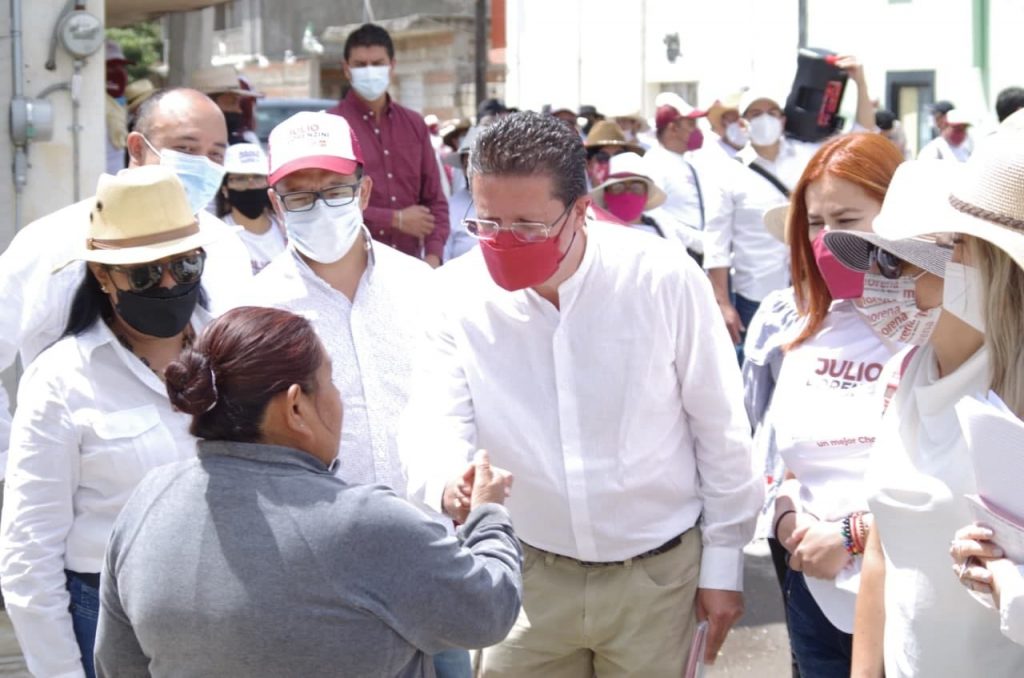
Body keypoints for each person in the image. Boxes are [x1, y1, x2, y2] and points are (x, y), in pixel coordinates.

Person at [401, 111, 762, 676]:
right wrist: (449, 481)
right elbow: (434, 418)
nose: (503, 242)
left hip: (658, 580)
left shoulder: (661, 277)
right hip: (525, 578)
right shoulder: (453, 293)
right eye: (488, 223)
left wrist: (723, 565)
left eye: (527, 227)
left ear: (581, 210)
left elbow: (718, 424)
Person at [92, 305, 521, 677]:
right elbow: (488, 611)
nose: (338, 400)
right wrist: (487, 514)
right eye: (331, 383)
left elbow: (118, 666)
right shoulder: (364, 523)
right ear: (295, 406)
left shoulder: (148, 502)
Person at [0, 166, 222, 678]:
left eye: (185, 266)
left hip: (227, 606)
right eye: (145, 274)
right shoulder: (61, 379)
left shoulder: (231, 348)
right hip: (107, 617)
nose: (168, 284)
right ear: (103, 276)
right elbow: (29, 555)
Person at [0, 87, 252, 477]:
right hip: (89, 503)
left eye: (216, 154)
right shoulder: (51, 244)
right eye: (186, 149)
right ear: (137, 148)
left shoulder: (224, 246)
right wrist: (16, 462)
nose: (202, 165)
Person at [851, 128, 1024, 676]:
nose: (874, 280)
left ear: (973, 267)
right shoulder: (906, 371)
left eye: (896, 262)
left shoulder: (1010, 400)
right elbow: (881, 554)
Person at [742, 132, 909, 678]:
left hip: (904, 598)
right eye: (815, 222)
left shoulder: (935, 328)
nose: (828, 238)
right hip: (812, 592)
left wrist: (851, 534)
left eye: (848, 218)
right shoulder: (800, 324)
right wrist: (785, 504)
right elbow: (786, 448)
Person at [710, 56, 876, 346]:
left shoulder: (807, 156)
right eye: (756, 113)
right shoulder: (728, 172)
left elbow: (863, 137)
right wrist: (723, 303)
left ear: (783, 119)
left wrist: (859, 82)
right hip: (754, 296)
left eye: (772, 112)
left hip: (813, 288)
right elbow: (717, 245)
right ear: (743, 124)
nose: (765, 118)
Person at [328, 23, 449, 267]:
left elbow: (435, 201)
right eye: (361, 65)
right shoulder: (332, 126)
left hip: (411, 265)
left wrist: (433, 258)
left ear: (392, 66)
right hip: (352, 266)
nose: (370, 71)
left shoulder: (414, 124)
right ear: (346, 69)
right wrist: (395, 219)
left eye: (377, 63)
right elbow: (329, 203)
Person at [642, 92, 713, 258]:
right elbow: (653, 213)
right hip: (679, 252)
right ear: (673, 128)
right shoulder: (654, 162)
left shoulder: (688, 161)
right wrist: (696, 241)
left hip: (698, 251)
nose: (696, 130)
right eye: (690, 124)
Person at [215, 143, 286, 273]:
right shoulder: (216, 235)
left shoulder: (288, 230)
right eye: (240, 179)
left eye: (258, 177)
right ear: (225, 189)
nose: (251, 185)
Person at [587, 151, 669, 236]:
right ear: (606, 193)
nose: (628, 193)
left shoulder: (665, 231)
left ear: (646, 193)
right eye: (618, 187)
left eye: (636, 187)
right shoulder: (594, 232)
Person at [190, 65, 262, 146]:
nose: (239, 110)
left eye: (239, 103)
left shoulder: (243, 146)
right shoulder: (186, 145)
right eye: (232, 102)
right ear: (208, 104)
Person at [443, 126, 480, 261]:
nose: (472, 171)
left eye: (479, 164)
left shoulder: (514, 203)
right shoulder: (450, 207)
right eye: (467, 165)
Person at [582, 119, 643, 189]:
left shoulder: (635, 195)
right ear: (588, 165)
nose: (612, 162)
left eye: (619, 156)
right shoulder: (575, 197)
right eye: (603, 157)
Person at [105, 41, 131, 175]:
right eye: (111, 67)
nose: (119, 73)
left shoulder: (119, 105)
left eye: (121, 67)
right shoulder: (94, 108)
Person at [705, 90, 749, 159]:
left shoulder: (755, 155)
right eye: (734, 119)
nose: (741, 122)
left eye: (744, 117)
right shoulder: (713, 155)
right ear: (723, 123)